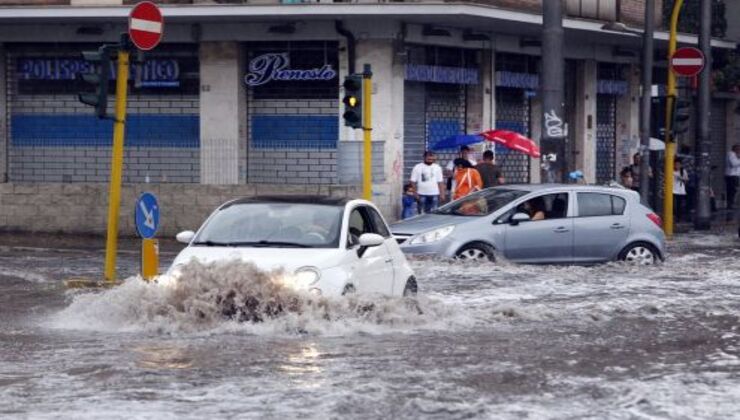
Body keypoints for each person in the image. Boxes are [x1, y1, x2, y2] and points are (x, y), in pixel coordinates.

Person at [725, 144, 740, 210]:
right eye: (738, 149)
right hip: (731, 175)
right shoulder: (731, 154)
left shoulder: (735, 155)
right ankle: (730, 205)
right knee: (732, 191)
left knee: (733, 190)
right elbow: (734, 164)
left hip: (735, 175)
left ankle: (731, 204)